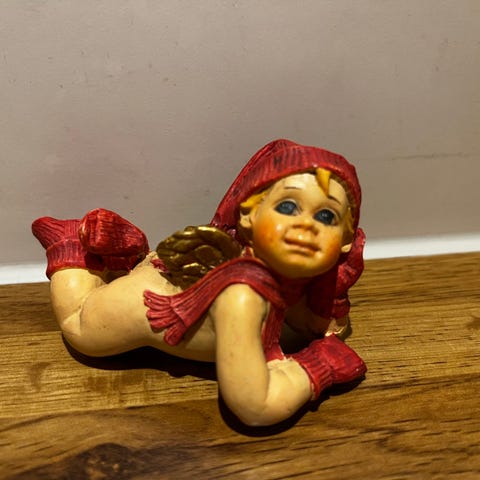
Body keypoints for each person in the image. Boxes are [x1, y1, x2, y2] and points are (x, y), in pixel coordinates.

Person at [32, 139, 367, 427]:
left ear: (346, 240)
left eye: (326, 216)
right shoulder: (244, 298)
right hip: (138, 306)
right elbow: (255, 406)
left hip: (166, 275)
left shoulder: (289, 276)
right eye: (288, 207)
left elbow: (315, 324)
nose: (306, 225)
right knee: (80, 329)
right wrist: (318, 368)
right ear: (248, 215)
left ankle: (129, 253)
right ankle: (74, 247)